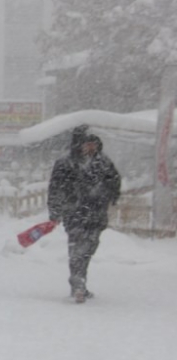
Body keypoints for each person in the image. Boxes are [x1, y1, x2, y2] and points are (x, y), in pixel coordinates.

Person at [47, 128, 121, 303]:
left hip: (96, 214)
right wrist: (55, 211)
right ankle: (78, 283)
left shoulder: (103, 162)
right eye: (87, 143)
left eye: (93, 144)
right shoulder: (65, 163)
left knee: (89, 249)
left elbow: (115, 180)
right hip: (74, 213)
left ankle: (80, 281)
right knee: (77, 249)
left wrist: (112, 195)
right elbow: (55, 188)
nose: (90, 147)